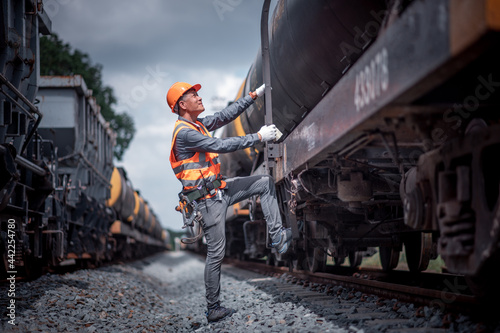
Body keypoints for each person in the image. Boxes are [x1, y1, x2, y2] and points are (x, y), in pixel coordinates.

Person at [167, 81, 292, 323]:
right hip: (207, 202)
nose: (200, 97)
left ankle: (278, 237)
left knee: (264, 183)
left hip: (222, 190)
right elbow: (220, 145)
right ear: (182, 105)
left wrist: (254, 95)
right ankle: (213, 308)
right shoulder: (185, 133)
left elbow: (226, 115)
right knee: (216, 254)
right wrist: (258, 136)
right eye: (194, 95)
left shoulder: (199, 124)